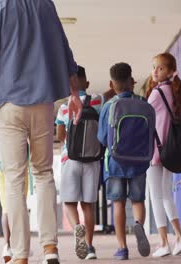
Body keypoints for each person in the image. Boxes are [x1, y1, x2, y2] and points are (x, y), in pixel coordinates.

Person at [0, 1, 83, 263]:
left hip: (9, 104)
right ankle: (50, 247)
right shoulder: (45, 5)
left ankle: (21, 253)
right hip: (43, 102)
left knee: (14, 179)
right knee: (44, 173)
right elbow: (64, 48)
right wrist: (74, 92)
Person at [97, 63, 151, 260]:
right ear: (132, 80)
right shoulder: (144, 103)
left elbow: (103, 138)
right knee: (138, 200)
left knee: (118, 202)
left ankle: (122, 248)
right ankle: (138, 224)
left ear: (112, 84)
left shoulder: (108, 106)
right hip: (140, 160)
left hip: (115, 162)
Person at [55, 66, 102, 260]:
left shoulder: (64, 107)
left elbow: (59, 135)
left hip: (70, 159)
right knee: (88, 204)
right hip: (92, 160)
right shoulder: (98, 101)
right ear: (87, 83)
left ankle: (77, 227)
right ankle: (90, 247)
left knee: (69, 201)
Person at [145, 52, 181, 257]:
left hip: (156, 150)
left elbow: (142, 120)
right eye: (154, 67)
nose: (155, 71)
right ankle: (179, 237)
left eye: (160, 68)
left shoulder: (156, 93)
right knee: (166, 195)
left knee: (156, 197)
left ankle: (164, 242)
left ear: (170, 71)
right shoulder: (174, 90)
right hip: (170, 150)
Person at [0, 113, 30, 264]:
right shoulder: (21, 117)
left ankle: (7, 245)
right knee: (19, 205)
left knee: (6, 209)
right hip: (20, 168)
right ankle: (18, 245)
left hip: (2, 169)